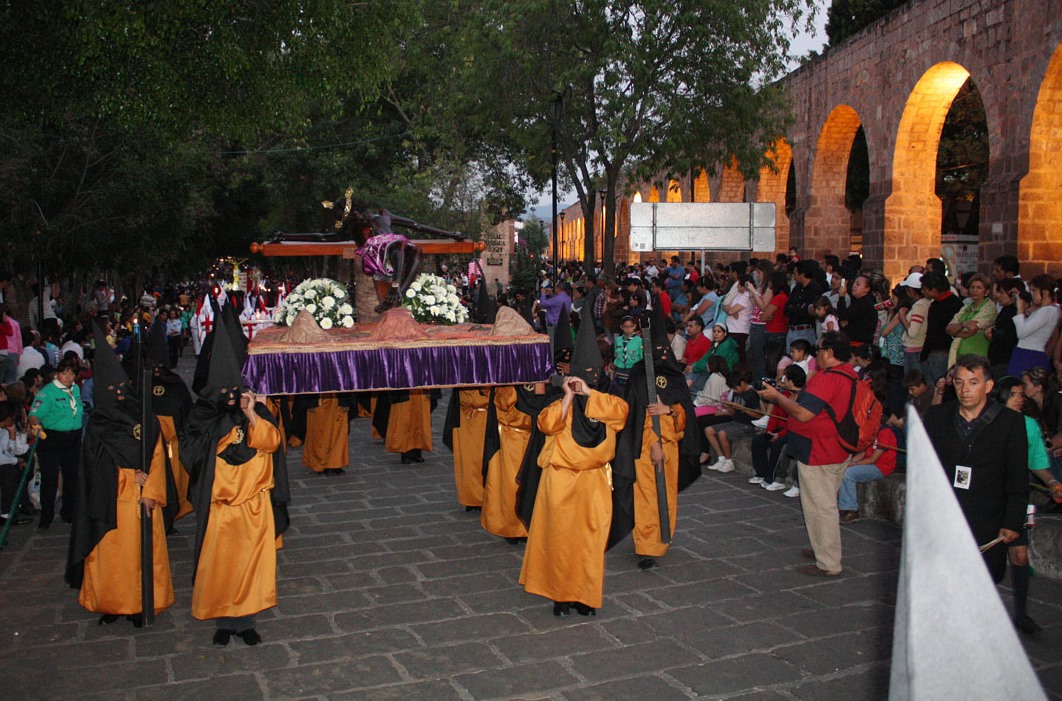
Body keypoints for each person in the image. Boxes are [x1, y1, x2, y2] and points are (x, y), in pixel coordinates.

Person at [180, 312, 287, 646]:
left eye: (235, 390)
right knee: (222, 567)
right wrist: (225, 430)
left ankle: (247, 621)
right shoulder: (204, 416)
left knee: (250, 566)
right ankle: (223, 622)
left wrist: (251, 413)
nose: (230, 395)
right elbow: (192, 453)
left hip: (253, 505)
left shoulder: (255, 412)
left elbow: (270, 442)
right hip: (220, 506)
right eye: (223, 391)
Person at [519, 316, 629, 617]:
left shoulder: (608, 399)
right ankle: (560, 595)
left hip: (594, 480)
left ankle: (585, 596)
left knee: (589, 540)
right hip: (560, 479)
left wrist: (589, 393)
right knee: (559, 539)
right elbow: (547, 424)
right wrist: (568, 396)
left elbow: (620, 414)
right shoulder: (558, 399)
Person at [65, 330, 174, 627]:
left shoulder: (142, 416)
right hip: (107, 501)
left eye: (120, 387)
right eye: (109, 388)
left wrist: (150, 488)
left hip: (139, 499)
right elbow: (90, 465)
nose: (117, 393)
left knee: (138, 556)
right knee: (110, 556)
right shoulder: (98, 424)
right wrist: (122, 474)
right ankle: (111, 604)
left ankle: (141, 603)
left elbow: (156, 455)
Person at [922, 355, 1029, 633]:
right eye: (959, 382)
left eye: (973, 382)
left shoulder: (1009, 422)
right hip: (946, 517)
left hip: (988, 518)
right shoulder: (937, 417)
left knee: (981, 585)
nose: (965, 389)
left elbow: (1018, 477)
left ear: (989, 385)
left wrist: (1012, 521)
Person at [756, 331, 859, 576]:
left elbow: (803, 413)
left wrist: (777, 397)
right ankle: (822, 548)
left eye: (819, 350)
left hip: (820, 449)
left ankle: (828, 562)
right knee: (822, 504)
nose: (816, 355)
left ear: (830, 353)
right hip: (836, 446)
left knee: (819, 506)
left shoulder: (829, 378)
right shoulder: (849, 375)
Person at [28, 357, 84, 529]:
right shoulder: (48, 392)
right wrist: (35, 424)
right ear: (57, 374)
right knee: (50, 479)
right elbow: (35, 413)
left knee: (72, 477)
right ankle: (47, 516)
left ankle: (69, 512)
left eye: (71, 374)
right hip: (51, 439)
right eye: (63, 373)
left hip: (73, 438)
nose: (67, 377)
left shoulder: (75, 389)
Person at [837, 420, 899, 524]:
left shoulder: (885, 432)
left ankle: (851, 510)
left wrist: (851, 465)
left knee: (849, 473)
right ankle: (841, 505)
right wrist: (850, 462)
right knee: (842, 469)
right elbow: (864, 453)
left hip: (881, 466)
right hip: (871, 464)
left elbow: (873, 459)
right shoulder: (871, 431)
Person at [443, 387, 491, 510]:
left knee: (485, 459)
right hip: (466, 415)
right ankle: (472, 498)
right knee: (468, 460)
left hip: (486, 416)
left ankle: (486, 496)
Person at [1008, 274, 1059, 377]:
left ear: (1044, 292)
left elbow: (1022, 332)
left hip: (1029, 355)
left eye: (1034, 290)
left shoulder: (1047, 311)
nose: (1032, 294)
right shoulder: (1046, 310)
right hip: (1027, 352)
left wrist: (1020, 310)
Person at [919, 272, 963, 385]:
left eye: (924, 289)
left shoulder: (937, 307)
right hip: (950, 351)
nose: (922, 291)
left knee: (935, 385)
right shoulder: (957, 302)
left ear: (933, 290)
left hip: (938, 352)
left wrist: (923, 355)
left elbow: (931, 333)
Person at [945, 273, 996, 367]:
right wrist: (963, 324)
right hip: (959, 353)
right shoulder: (965, 308)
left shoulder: (990, 308)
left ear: (986, 292)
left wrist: (955, 331)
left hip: (977, 355)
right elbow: (948, 329)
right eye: (972, 287)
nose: (974, 290)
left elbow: (971, 330)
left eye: (979, 288)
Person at [301, 393, 352, 476]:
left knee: (337, 432)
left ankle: (334, 464)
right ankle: (320, 463)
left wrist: (346, 401)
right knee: (319, 432)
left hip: (337, 397)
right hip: (318, 398)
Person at [0, 402, 31, 526]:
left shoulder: (5, 431)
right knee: (9, 472)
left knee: (17, 469)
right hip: (3, 465)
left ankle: (17, 507)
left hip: (6, 462)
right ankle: (7, 513)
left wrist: (13, 435)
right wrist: (17, 461)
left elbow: (11, 452)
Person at [611, 316, 643, 389]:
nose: (628, 329)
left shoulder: (639, 341)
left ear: (634, 326)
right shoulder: (618, 340)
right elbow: (616, 354)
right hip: (620, 370)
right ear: (621, 327)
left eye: (630, 326)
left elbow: (641, 357)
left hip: (632, 370)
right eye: (625, 327)